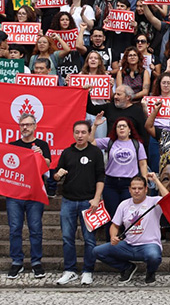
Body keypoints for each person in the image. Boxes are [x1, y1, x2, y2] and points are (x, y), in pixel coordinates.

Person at [54, 120, 105, 286]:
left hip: (88, 202)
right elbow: (56, 175)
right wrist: (57, 175)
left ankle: (88, 271)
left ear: (89, 133)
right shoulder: (67, 152)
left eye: (84, 132)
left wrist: (97, 198)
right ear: (73, 133)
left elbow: (100, 178)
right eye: (77, 132)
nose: (80, 135)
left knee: (89, 239)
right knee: (67, 238)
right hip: (68, 201)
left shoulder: (96, 152)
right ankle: (69, 270)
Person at [94, 173, 169, 284]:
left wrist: (156, 181)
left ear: (146, 189)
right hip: (128, 245)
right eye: (134, 188)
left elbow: (169, 198)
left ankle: (151, 272)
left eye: (140, 188)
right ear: (129, 190)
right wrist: (113, 236)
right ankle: (127, 267)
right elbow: (115, 225)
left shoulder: (154, 202)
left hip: (149, 245)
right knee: (98, 251)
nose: (137, 191)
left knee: (154, 256)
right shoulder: (124, 204)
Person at [6, 113, 51, 279]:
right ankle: (16, 262)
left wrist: (40, 156)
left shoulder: (42, 145)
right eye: (22, 125)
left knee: (36, 229)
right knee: (15, 229)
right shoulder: (12, 145)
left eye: (28, 124)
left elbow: (47, 167)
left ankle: (36, 262)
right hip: (15, 194)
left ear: (35, 126)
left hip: (35, 193)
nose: (25, 127)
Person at [89, 115, 148, 236]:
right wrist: (95, 126)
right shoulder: (109, 142)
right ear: (115, 129)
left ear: (129, 129)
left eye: (124, 126)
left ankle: (127, 244)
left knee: (128, 216)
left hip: (130, 184)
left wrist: (144, 182)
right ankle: (110, 244)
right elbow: (90, 142)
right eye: (118, 126)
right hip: (111, 184)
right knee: (112, 216)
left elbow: (142, 164)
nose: (121, 128)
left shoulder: (137, 144)